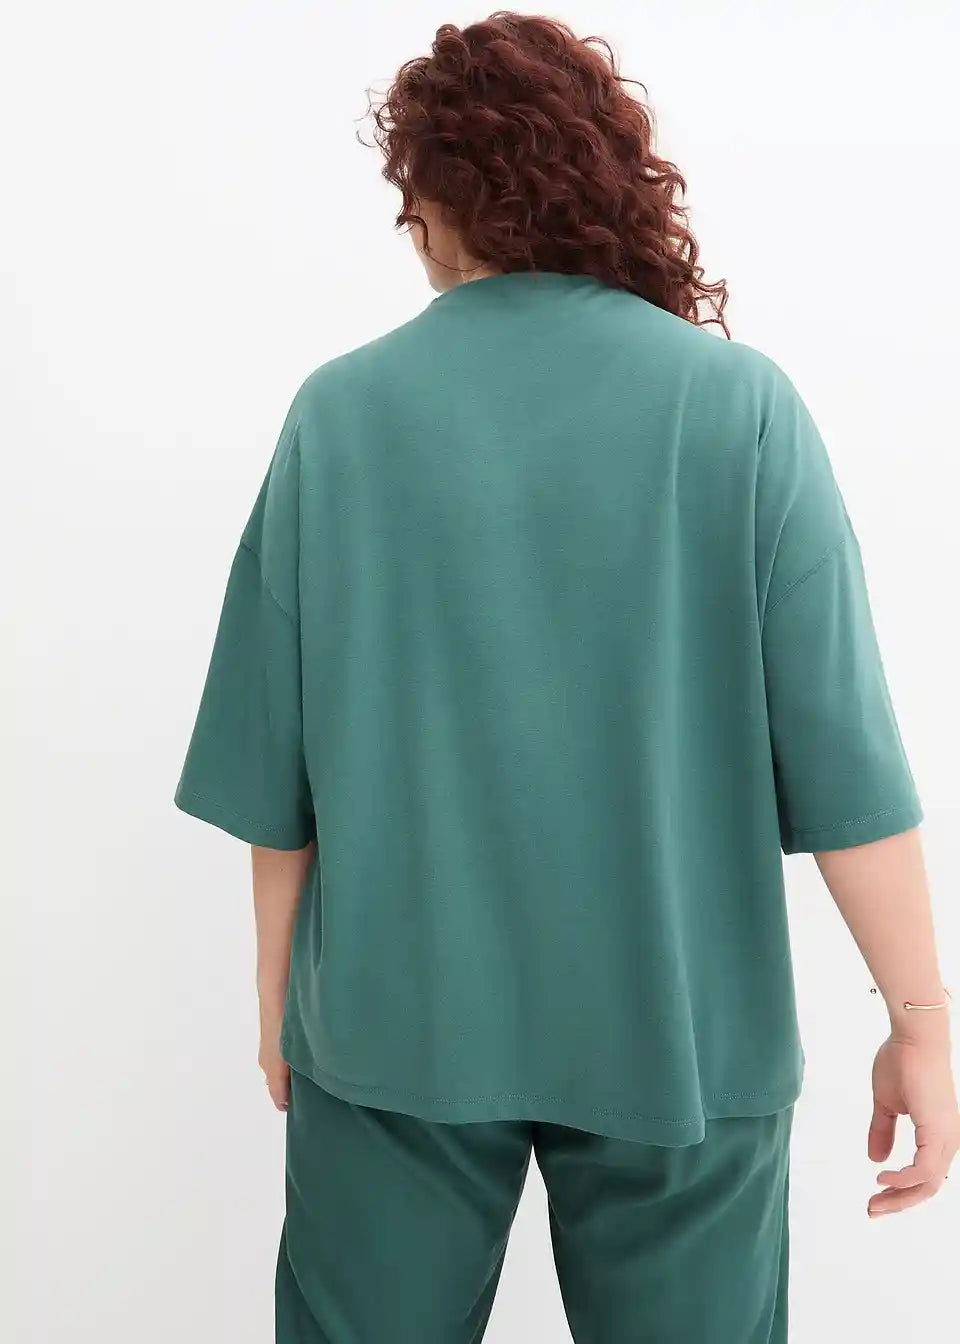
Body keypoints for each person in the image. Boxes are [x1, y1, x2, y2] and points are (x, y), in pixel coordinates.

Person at [174, 12, 958, 1342]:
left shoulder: (341, 414)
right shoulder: (739, 409)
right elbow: (849, 766)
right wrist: (922, 1026)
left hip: (394, 1028)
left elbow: (277, 777)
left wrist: (280, 1010)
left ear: (432, 201)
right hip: (681, 1034)